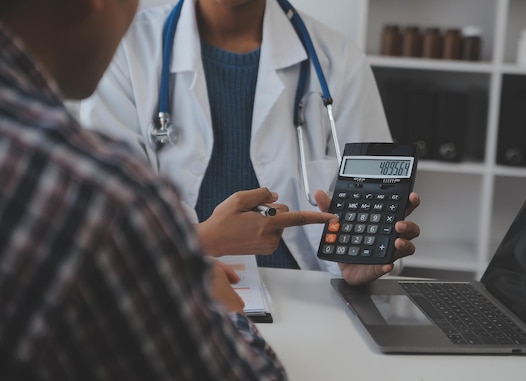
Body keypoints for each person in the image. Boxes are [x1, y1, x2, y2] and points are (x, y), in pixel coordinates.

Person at [0, 0, 339, 377]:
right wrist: (208, 296)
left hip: (319, 315)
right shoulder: (106, 195)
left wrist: (353, 257)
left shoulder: (337, 57)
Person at [79, 0, 421, 280]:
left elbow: (373, 215)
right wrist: (201, 241)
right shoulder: (126, 49)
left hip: (312, 300)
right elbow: (106, 219)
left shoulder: (340, 61)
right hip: (175, 295)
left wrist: (356, 259)